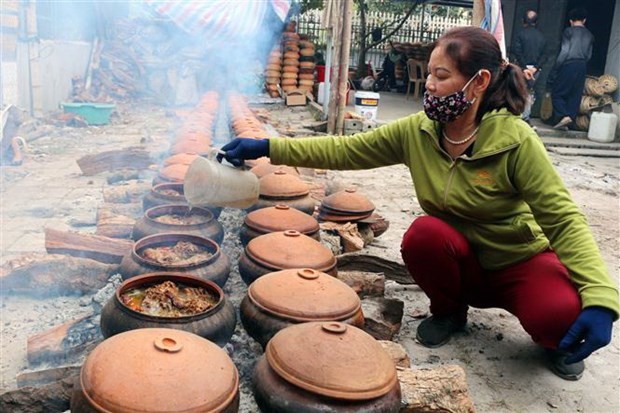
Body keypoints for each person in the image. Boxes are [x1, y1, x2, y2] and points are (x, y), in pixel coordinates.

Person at [218, 26, 618, 381]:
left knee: (561, 322)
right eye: (429, 73)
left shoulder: (517, 141)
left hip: (518, 261)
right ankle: (449, 311)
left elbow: (564, 219)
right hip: (460, 260)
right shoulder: (420, 131)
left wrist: (601, 300)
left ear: (478, 82)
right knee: (424, 234)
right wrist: (268, 147)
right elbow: (345, 149)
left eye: (441, 76)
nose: (429, 84)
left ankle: (555, 338)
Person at [548, 8, 594, 130]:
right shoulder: (590, 35)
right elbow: (589, 55)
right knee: (575, 94)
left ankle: (564, 115)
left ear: (570, 21)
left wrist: (556, 67)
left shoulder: (569, 31)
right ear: (584, 20)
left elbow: (564, 51)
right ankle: (569, 122)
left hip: (569, 64)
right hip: (582, 66)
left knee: (557, 92)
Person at [512, 9, 547, 127]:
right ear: (536, 22)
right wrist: (535, 68)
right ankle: (526, 117)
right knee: (530, 92)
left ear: (523, 21)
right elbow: (544, 56)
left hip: (522, 68)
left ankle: (517, 116)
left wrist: (524, 68)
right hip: (535, 71)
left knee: (518, 90)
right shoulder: (542, 37)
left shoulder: (520, 34)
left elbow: (517, 52)